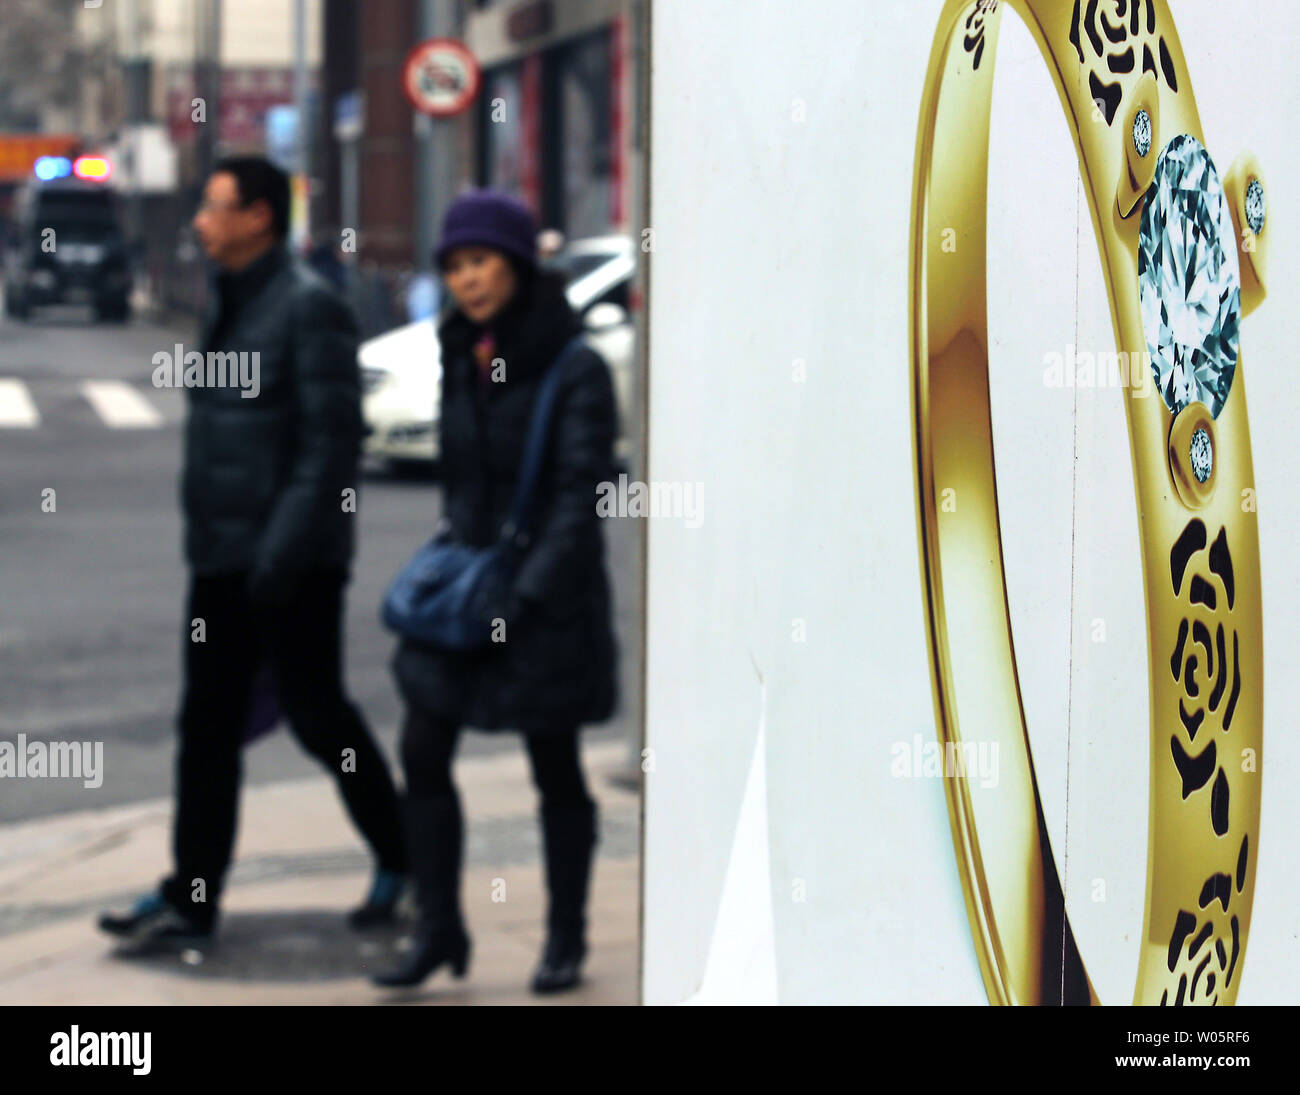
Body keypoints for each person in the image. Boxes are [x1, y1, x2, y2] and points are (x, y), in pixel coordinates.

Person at [98, 156, 407, 948]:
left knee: (317, 715)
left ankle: (406, 856)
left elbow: (331, 447)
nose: (200, 221)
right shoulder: (228, 301)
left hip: (289, 563)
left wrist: (279, 554)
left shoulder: (310, 308)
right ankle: (190, 896)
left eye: (214, 207)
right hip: (222, 557)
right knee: (206, 727)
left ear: (258, 218)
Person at [371, 190, 619, 994]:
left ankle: (566, 938)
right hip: (473, 591)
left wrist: (529, 595)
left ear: (515, 263)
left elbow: (582, 494)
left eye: (479, 261)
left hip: (545, 602)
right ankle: (439, 926)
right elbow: (463, 483)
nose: (466, 279)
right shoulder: (460, 350)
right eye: (453, 266)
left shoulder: (572, 364)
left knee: (555, 766)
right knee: (421, 749)